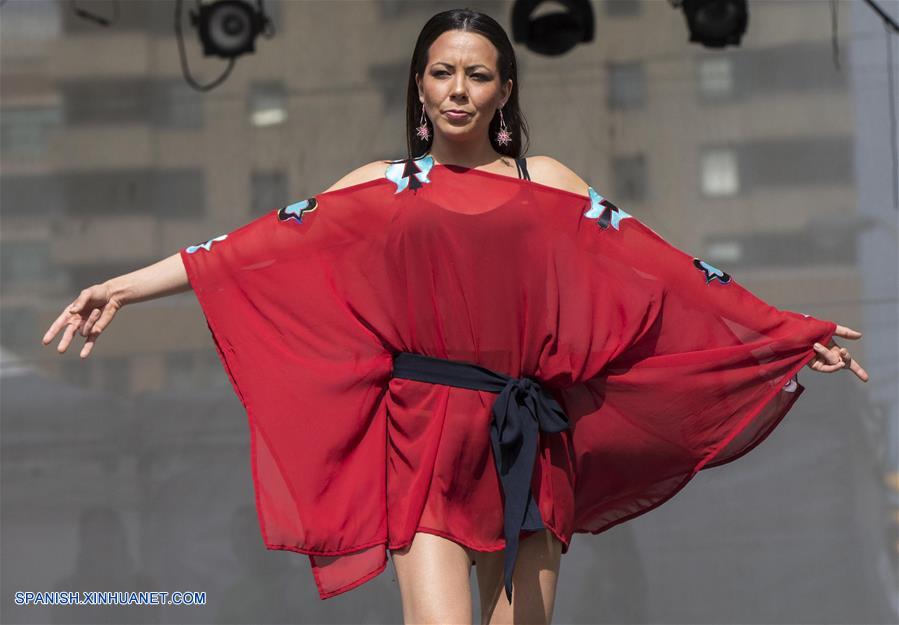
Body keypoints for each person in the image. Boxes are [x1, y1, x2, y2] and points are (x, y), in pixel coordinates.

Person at [42, 8, 868, 625]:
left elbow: (668, 268)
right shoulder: (382, 185)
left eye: (477, 74)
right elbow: (249, 249)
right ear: (419, 83)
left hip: (528, 434)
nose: (459, 89)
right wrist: (124, 285)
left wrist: (783, 329)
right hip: (424, 433)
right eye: (442, 72)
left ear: (504, 89)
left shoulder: (543, 178)